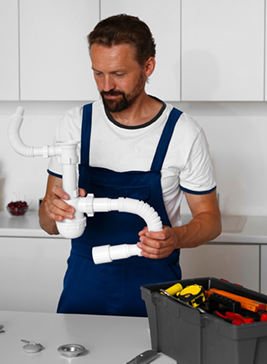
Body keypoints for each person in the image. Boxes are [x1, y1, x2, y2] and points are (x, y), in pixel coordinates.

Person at [39, 14, 221, 317]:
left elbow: (211, 220)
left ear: (148, 67)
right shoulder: (75, 126)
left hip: (154, 286)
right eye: (98, 73)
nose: (106, 85)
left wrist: (175, 237)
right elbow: (49, 225)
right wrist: (49, 211)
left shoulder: (182, 133)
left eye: (119, 73)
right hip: (84, 282)